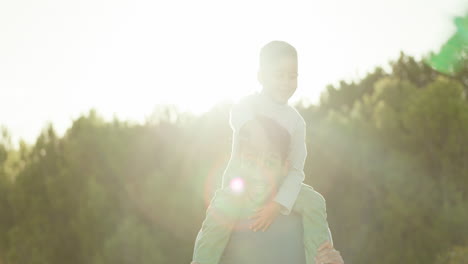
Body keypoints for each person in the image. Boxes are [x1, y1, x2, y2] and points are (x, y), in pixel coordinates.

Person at [191, 41, 344, 264]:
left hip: (278, 187)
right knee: (220, 211)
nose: (285, 82)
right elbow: (254, 139)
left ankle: (317, 259)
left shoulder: (296, 123)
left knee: (314, 203)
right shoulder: (244, 107)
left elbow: (296, 169)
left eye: (292, 76)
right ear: (261, 76)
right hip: (242, 185)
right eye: (278, 75)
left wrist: (278, 204)